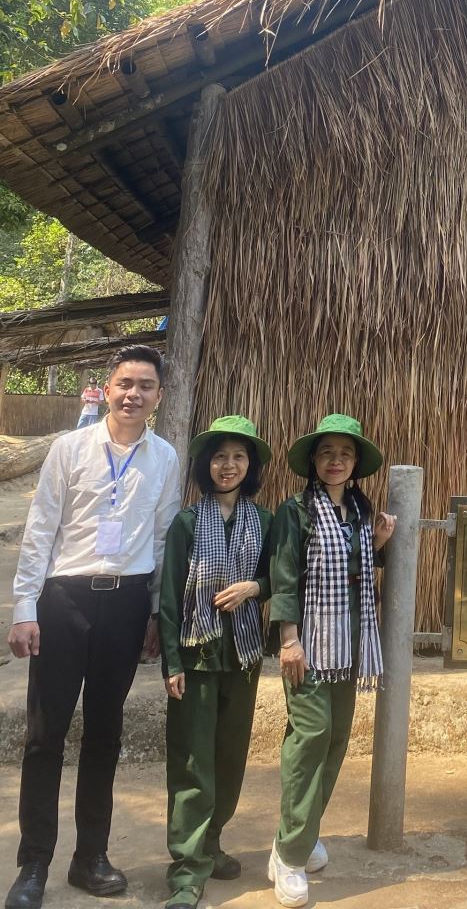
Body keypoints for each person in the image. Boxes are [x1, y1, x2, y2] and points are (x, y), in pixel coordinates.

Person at [5, 344, 180, 909]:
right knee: (44, 736)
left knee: (105, 734)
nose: (133, 394)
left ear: (158, 396)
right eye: (125, 383)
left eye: (145, 386)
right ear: (107, 390)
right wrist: (25, 608)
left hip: (125, 606)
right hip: (64, 602)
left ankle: (91, 857)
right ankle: (34, 864)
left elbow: (161, 538)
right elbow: (41, 528)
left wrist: (154, 612)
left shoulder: (165, 459)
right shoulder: (69, 449)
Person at [267, 413, 395, 908]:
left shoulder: (361, 512)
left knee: (337, 737)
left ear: (356, 462)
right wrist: (289, 639)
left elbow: (357, 569)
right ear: (313, 461)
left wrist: (377, 545)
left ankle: (296, 835)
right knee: (311, 736)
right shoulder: (295, 511)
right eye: (326, 452)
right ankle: (291, 858)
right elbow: (284, 575)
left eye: (345, 453)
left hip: (350, 645)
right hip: (310, 643)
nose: (335, 461)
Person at [158, 416, 274, 909]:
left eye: (238, 457)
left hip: (242, 659)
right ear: (207, 465)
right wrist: (171, 662)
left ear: (250, 466)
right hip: (196, 657)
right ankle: (187, 870)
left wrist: (254, 587)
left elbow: (280, 576)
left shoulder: (264, 522)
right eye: (220, 457)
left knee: (229, 758)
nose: (229, 466)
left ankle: (210, 842)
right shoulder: (187, 523)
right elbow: (168, 598)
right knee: (192, 761)